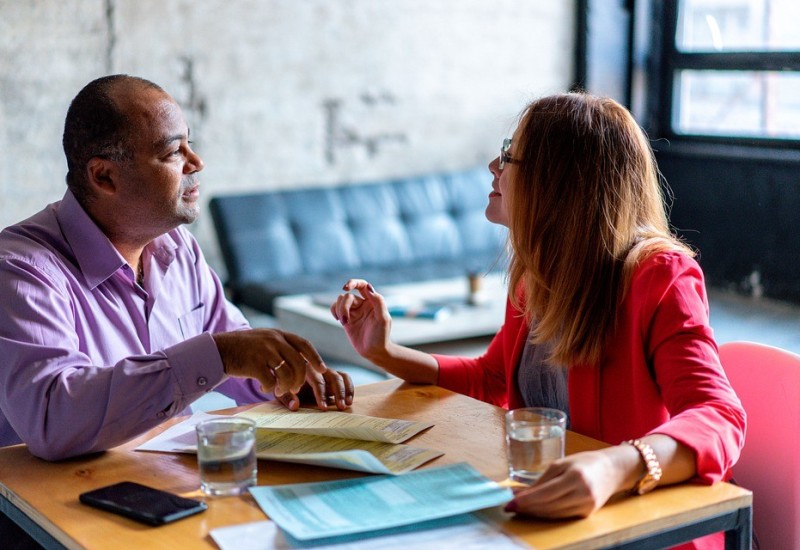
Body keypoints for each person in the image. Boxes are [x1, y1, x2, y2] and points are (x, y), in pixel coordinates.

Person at [331, 93, 745, 549]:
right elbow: (491, 378)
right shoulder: (535, 274)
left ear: (560, 180)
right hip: (550, 520)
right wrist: (384, 352)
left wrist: (615, 465)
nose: (494, 164)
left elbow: (719, 415)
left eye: (509, 154)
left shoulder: (660, 275)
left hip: (638, 528)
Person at [0, 74, 354, 463]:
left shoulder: (176, 248)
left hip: (160, 480)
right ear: (104, 176)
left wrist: (284, 379)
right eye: (173, 153)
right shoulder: (22, 272)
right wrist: (221, 355)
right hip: (45, 508)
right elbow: (53, 419)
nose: (197, 163)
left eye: (191, 145)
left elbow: (234, 345)